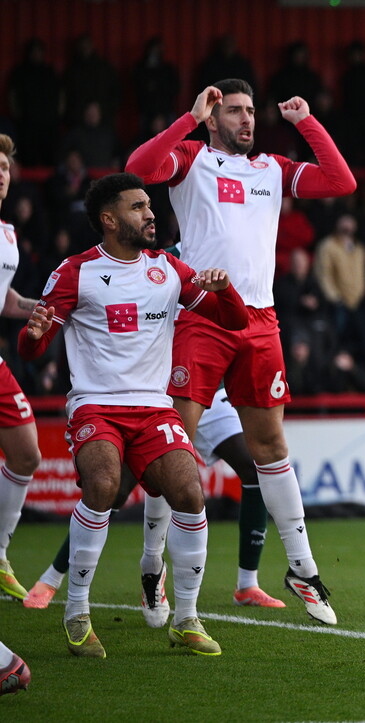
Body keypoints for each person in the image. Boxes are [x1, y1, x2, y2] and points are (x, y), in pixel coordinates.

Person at [125, 79, 356, 624]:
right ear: (212, 114)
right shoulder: (191, 158)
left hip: (260, 320)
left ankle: (301, 568)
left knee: (270, 444)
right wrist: (188, 117)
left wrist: (305, 122)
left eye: (251, 111)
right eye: (234, 111)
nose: (247, 120)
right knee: (172, 446)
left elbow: (341, 182)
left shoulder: (271, 168)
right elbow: (138, 168)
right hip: (202, 314)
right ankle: (152, 564)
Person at [18, 172, 249, 658]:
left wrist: (224, 290)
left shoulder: (168, 269)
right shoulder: (74, 272)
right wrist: (35, 334)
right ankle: (77, 612)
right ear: (108, 220)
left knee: (189, 492)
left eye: (150, 205)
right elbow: (32, 350)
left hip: (152, 406)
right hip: (95, 405)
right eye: (138, 207)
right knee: (103, 485)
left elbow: (236, 322)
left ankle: (185, 618)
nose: (150, 214)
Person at [23, 387, 287, 615]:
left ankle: (247, 584)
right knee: (117, 489)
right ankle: (56, 577)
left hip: (207, 384)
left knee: (253, 467)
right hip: (160, 392)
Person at [0, 135, 43, 602]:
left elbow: (4, 298)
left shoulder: (8, 235)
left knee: (27, 453)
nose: (0, 174)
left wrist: (37, 308)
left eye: (5, 168)